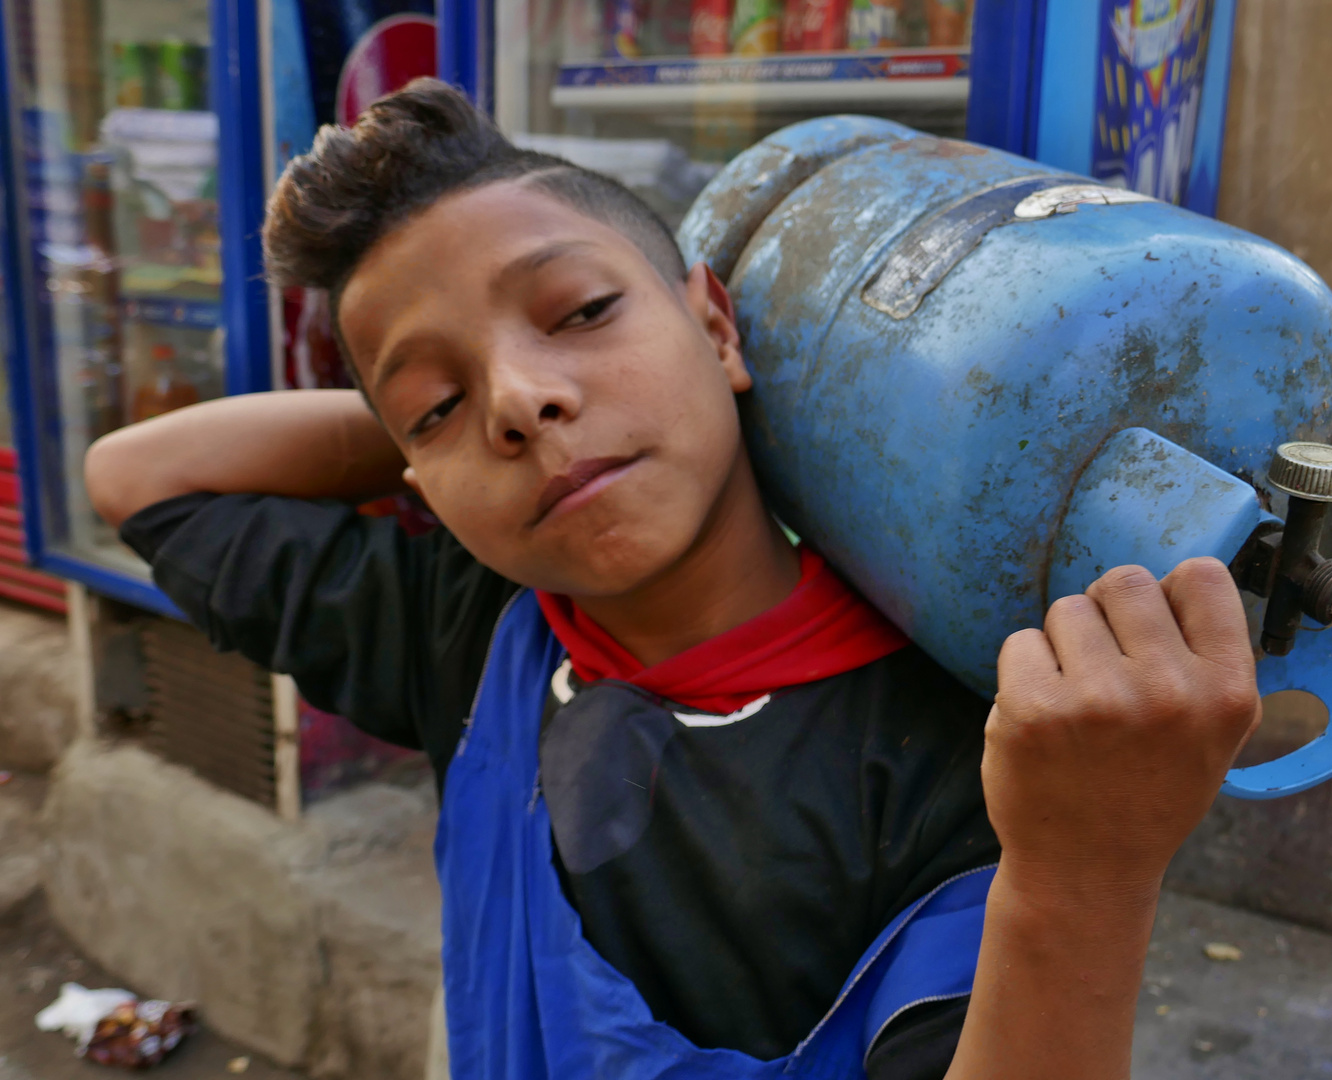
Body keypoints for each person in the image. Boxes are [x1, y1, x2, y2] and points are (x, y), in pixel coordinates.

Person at [85, 79, 1260, 1080]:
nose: (520, 400)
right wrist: (434, 447)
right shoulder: (472, 630)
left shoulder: (969, 752)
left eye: (583, 312)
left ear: (720, 327)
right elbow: (135, 472)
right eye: (440, 403)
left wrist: (1083, 880)